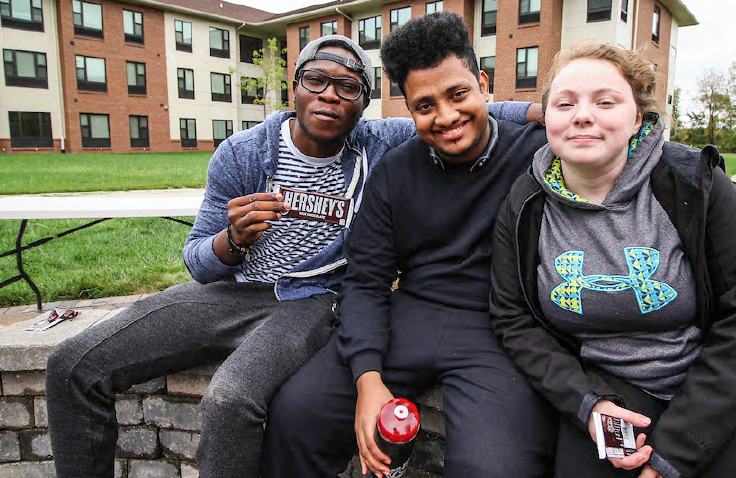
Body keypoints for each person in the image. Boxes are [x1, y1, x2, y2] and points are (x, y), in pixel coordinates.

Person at [262, 13, 736, 478]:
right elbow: (366, 280)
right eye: (425, 106)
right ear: (409, 108)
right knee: (296, 414)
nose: (445, 116)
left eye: (458, 94)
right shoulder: (394, 173)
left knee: (497, 467)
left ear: (483, 85)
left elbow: (646, 160)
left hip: (503, 329)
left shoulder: (542, 153)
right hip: (411, 318)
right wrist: (369, 377)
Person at [45, 34, 537, 478]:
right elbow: (197, 261)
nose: (329, 95)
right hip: (232, 293)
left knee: (232, 398)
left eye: (347, 87)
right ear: (295, 88)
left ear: (363, 105)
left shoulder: (377, 142)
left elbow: (463, 104)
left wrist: (556, 111)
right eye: (315, 79)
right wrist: (232, 242)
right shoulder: (242, 154)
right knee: (72, 363)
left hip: (312, 300)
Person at [490, 42, 736, 478]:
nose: (581, 115)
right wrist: (587, 404)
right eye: (565, 103)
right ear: (548, 119)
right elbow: (512, 318)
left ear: (637, 117)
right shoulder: (525, 205)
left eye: (605, 101)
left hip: (724, 379)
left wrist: (675, 453)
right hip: (607, 382)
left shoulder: (695, 185)